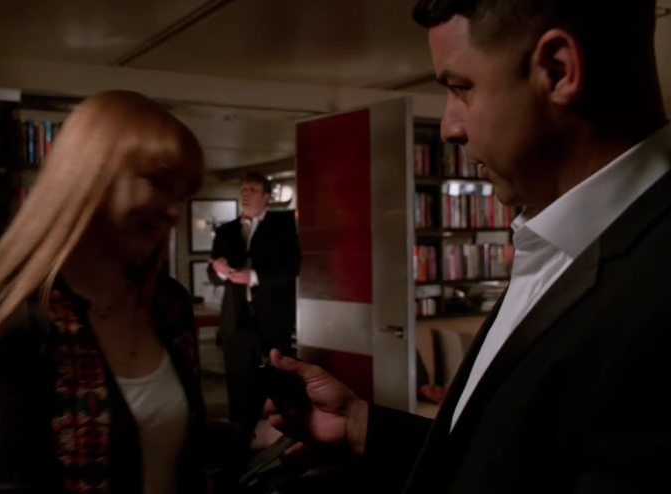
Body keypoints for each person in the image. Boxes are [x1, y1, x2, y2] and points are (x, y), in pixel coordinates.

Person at [266, 1, 671, 493]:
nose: (449, 127)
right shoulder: (555, 242)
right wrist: (360, 425)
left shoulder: (654, 291)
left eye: (461, 87)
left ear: (559, 69)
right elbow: (515, 464)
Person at [0, 90, 211, 494]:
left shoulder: (166, 304)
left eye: (182, 194)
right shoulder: (17, 323)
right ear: (89, 175)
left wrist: (268, 433)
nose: (174, 211)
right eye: (159, 183)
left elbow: (156, 437)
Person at [207, 172, 301, 436]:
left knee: (277, 382)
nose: (245, 194)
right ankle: (241, 438)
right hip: (236, 318)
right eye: (243, 190)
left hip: (273, 318)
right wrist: (220, 271)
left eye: (252, 189)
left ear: (266, 197)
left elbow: (291, 268)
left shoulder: (283, 226)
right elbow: (212, 273)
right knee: (238, 384)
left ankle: (283, 437)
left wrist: (255, 277)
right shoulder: (226, 231)